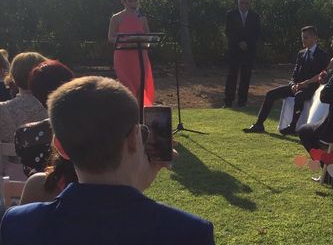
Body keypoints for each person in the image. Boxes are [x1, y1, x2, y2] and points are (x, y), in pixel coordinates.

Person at [0, 76, 215, 245]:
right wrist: (134, 191)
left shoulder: (18, 224)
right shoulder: (188, 232)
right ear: (133, 139)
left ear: (60, 148)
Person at [243, 26, 330, 135]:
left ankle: (292, 126)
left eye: (306, 38)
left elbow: (321, 76)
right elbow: (295, 73)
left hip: (310, 88)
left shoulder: (323, 55)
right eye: (302, 37)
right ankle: (259, 124)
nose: (303, 40)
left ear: (314, 38)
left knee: (299, 96)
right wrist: (293, 84)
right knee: (271, 94)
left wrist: (304, 85)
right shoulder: (301, 53)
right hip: (297, 86)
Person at [0, 52, 48, 178]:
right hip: (46, 176)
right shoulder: (52, 107)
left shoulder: (3, 109)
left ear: (13, 77)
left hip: (10, 178)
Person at [108, 0, 155, 106]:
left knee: (141, 85)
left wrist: (145, 41)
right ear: (123, 2)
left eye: (135, 1)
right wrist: (125, 41)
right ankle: (127, 114)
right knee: (127, 86)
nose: (133, 3)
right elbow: (110, 37)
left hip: (140, 55)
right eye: (130, 1)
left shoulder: (142, 18)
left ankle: (140, 117)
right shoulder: (116, 18)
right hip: (123, 56)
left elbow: (148, 36)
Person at [223, 0, 261, 108]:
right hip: (234, 50)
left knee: (245, 77)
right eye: (241, 3)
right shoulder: (231, 14)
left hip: (248, 51)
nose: (243, 5)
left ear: (249, 3)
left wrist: (247, 43)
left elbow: (257, 33)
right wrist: (239, 42)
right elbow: (229, 31)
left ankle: (242, 102)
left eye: (246, 3)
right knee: (232, 76)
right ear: (238, 3)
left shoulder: (255, 16)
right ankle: (228, 102)